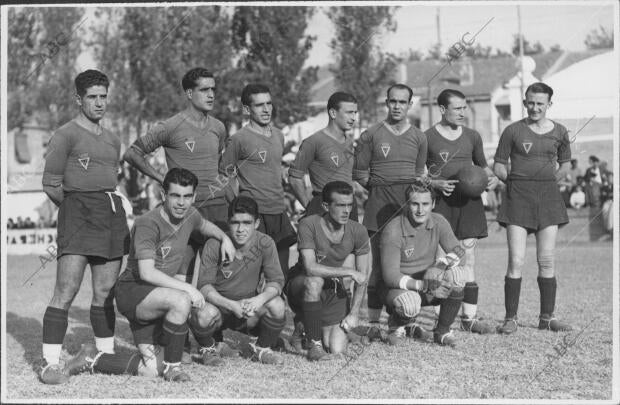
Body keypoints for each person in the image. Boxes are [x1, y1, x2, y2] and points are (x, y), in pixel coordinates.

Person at [63, 168, 236, 382]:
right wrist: (188, 288)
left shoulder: (191, 215)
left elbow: (204, 225)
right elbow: (146, 272)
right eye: (175, 196)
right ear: (164, 195)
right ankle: (174, 368)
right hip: (134, 292)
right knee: (181, 299)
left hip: (160, 297)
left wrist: (224, 238)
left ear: (194, 197)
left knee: (151, 368)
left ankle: (92, 358)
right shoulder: (148, 223)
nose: (181, 203)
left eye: (187, 196)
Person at [123, 67, 230, 359]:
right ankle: (176, 339)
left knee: (210, 276)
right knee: (178, 273)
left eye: (213, 89)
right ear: (189, 93)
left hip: (215, 209)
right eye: (204, 89)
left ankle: (211, 340)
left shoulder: (219, 127)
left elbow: (219, 168)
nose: (211, 94)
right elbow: (132, 153)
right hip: (182, 209)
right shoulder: (171, 125)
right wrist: (162, 180)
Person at [39, 70, 130, 384]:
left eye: (103, 96)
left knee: (105, 292)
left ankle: (104, 354)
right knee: (66, 290)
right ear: (79, 99)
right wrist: (75, 208)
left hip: (110, 214)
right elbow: (50, 184)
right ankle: (49, 363)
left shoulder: (114, 139)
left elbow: (109, 182)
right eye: (92, 97)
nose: (99, 102)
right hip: (77, 213)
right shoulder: (65, 134)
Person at [493, 82, 572, 334]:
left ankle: (547, 318)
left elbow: (566, 165)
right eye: (531, 102)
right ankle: (510, 318)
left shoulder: (560, 131)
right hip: (518, 199)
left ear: (549, 104)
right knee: (516, 260)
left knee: (546, 260)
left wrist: (547, 183)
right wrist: (516, 183)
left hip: (548, 199)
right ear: (525, 102)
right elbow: (498, 165)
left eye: (540, 103)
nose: (535, 107)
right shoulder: (512, 131)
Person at [424, 89, 498, 334]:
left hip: (470, 205)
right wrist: (434, 184)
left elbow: (484, 168)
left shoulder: (473, 136)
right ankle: (439, 317)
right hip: (441, 206)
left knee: (469, 261)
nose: (462, 113)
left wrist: (492, 179)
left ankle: (469, 318)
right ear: (443, 110)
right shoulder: (427, 138)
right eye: (457, 108)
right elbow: (417, 175)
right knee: (440, 261)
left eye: (464, 108)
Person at [353, 83, 427, 325]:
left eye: (402, 102)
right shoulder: (370, 134)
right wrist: (380, 189)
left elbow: (418, 176)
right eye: (392, 101)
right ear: (386, 103)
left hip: (407, 210)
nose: (397, 106)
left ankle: (406, 318)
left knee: (408, 263)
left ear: (410, 105)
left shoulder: (419, 137)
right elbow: (361, 174)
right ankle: (374, 324)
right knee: (375, 268)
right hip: (378, 207)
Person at [190, 196, 287, 365]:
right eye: (235, 222)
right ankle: (210, 347)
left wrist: (259, 299)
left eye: (247, 223)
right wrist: (230, 305)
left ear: (256, 223)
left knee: (277, 304)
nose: (240, 229)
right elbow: (204, 287)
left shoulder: (265, 243)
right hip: (220, 308)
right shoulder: (214, 244)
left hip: (248, 309)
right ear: (228, 222)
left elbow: (276, 281)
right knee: (202, 314)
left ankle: (261, 349)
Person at [286, 181, 370, 361]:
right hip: (301, 284)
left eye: (349, 205)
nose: (346, 210)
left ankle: (302, 326)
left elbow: (363, 277)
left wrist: (354, 313)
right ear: (325, 206)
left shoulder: (358, 230)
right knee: (314, 281)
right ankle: (313, 344)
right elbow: (310, 268)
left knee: (336, 348)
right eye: (340, 205)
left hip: (332, 288)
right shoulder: (308, 224)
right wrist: (347, 271)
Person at [219, 84, 297, 277]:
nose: (266, 109)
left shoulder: (278, 135)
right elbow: (223, 175)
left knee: (280, 274)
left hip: (279, 211)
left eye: (269, 103)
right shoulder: (239, 139)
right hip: (255, 214)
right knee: (251, 274)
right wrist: (238, 205)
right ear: (247, 109)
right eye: (259, 105)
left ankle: (278, 305)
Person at [379, 179, 465, 346]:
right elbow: (390, 276)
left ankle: (442, 331)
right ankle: (396, 325)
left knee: (458, 274)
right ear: (406, 205)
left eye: (425, 204)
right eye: (415, 204)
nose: (420, 210)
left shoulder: (438, 221)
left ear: (433, 204)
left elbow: (460, 252)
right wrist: (425, 286)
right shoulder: (393, 229)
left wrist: (439, 266)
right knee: (409, 304)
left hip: (428, 284)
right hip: (397, 289)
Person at [288, 92, 359, 220]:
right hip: (324, 207)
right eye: (349, 112)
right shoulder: (313, 142)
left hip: (350, 206)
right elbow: (294, 178)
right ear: (333, 113)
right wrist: (309, 206)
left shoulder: (349, 142)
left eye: (355, 113)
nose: (353, 117)